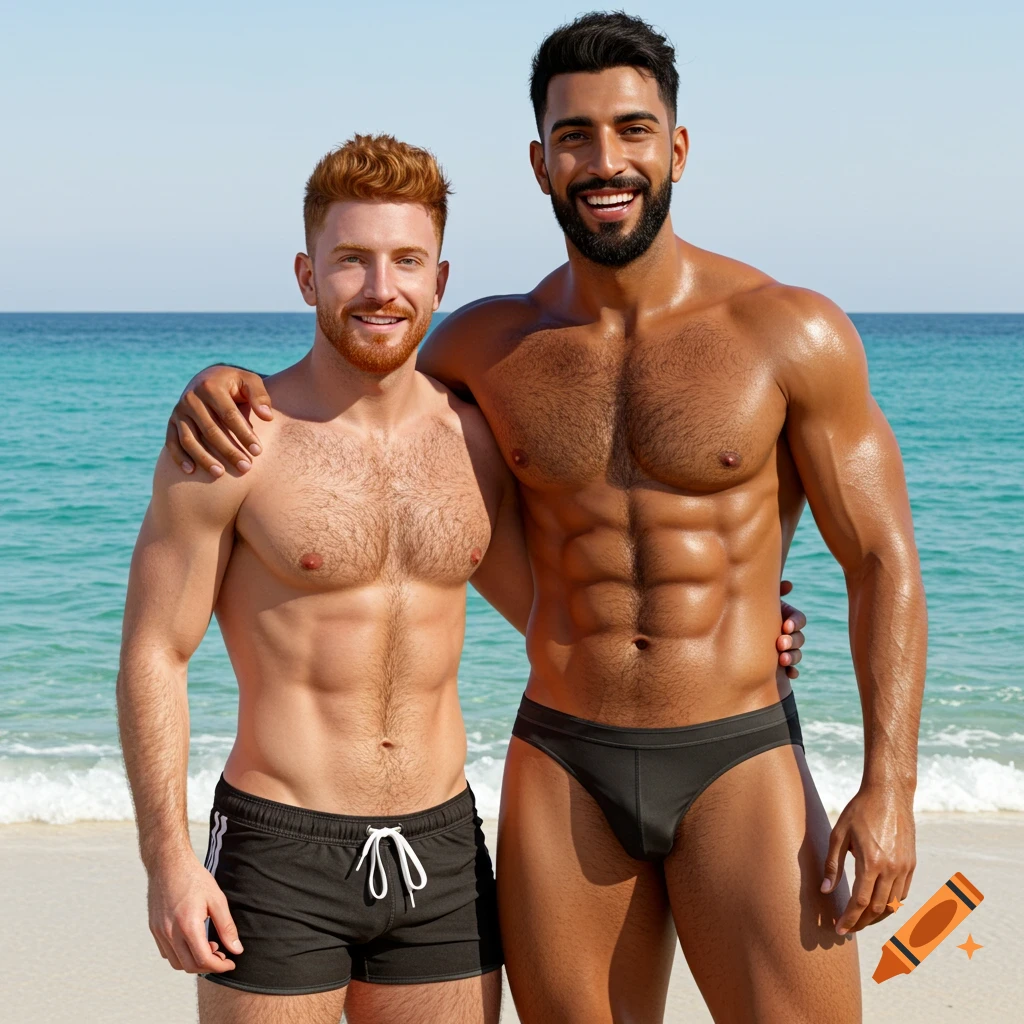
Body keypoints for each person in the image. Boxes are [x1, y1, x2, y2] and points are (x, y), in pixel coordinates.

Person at [162, 13, 924, 1024]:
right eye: (575, 136)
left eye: (632, 130)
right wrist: (225, 383)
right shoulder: (487, 347)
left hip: (737, 751)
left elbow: (881, 559)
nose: (604, 161)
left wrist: (889, 787)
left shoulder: (790, 331)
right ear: (539, 162)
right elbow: (355, 405)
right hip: (566, 761)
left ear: (677, 148)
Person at [118, 135, 526, 1024]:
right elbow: (155, 652)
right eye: (351, 260)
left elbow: (567, 614)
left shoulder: (480, 443)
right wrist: (168, 863)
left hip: (443, 847)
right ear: (307, 277)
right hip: (279, 849)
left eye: (406, 261)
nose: (381, 288)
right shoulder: (234, 439)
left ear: (439, 281)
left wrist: (747, 626)